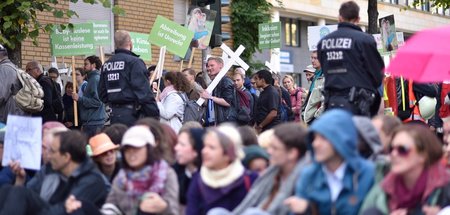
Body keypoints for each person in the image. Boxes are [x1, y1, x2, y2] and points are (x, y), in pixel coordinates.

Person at [285, 109, 375, 215]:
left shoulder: (368, 173)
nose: (315, 144)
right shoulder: (309, 175)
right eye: (314, 138)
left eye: (323, 138)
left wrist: (309, 210)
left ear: (342, 139)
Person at [1, 130, 109, 215]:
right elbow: (27, 197)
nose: (48, 155)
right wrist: (20, 180)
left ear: (66, 157)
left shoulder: (92, 181)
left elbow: (66, 210)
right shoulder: (53, 169)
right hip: (50, 210)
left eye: (52, 151)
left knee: (19, 192)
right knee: (8, 190)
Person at [360, 124, 450, 215]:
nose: (394, 154)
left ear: (423, 155)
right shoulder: (382, 189)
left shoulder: (445, 187)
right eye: (391, 149)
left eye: (402, 150)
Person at [317, 1, 384, 117]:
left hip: (331, 104)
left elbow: (324, 67)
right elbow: (378, 74)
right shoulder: (364, 40)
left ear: (339, 18)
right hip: (357, 106)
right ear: (358, 19)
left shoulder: (323, 43)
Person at [232, 123, 311, 215]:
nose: (269, 151)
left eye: (275, 148)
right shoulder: (272, 174)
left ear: (292, 153)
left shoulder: (306, 181)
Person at [99, 125, 179, 215]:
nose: (131, 153)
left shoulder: (166, 174)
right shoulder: (122, 177)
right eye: (127, 149)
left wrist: (164, 207)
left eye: (137, 148)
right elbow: (110, 205)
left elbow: (174, 210)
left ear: (148, 149)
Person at [185, 125, 257, 215]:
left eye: (212, 147)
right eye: (205, 146)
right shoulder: (199, 180)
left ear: (228, 154)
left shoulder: (250, 181)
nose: (204, 151)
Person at [99, 30, 159, 126]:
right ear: (130, 43)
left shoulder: (106, 64)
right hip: (133, 116)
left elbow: (102, 94)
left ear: (116, 45)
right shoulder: (134, 62)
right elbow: (143, 92)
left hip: (114, 115)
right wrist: (154, 114)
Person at [73, 55, 106, 138]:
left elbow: (97, 101)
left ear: (93, 65)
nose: (84, 66)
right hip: (91, 122)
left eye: (86, 64)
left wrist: (80, 99)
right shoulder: (92, 79)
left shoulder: (95, 79)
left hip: (94, 123)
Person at [173, 128, 205, 210]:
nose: (176, 148)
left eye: (182, 145)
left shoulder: (208, 179)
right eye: (177, 143)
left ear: (196, 150)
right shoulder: (173, 172)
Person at [200, 57, 237, 126]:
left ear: (221, 66)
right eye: (207, 66)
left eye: (212, 65)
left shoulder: (226, 81)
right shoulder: (213, 83)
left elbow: (228, 102)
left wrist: (210, 97)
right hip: (214, 123)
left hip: (225, 123)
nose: (209, 68)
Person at [0, 44, 24, 123]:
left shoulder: (4, 69)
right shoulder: (13, 67)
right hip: (14, 114)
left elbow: (1, 95)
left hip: (7, 117)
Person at [302, 54, 325, 125]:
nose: (312, 61)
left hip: (316, 121)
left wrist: (316, 118)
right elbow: (311, 100)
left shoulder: (325, 75)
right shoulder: (315, 76)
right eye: (311, 58)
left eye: (315, 58)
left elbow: (325, 101)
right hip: (308, 120)